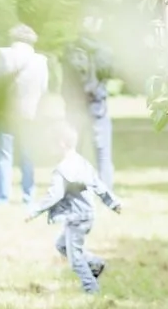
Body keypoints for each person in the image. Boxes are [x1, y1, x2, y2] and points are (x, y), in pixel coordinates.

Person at [27, 123, 123, 294]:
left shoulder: (62, 170)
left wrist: (34, 211)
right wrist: (113, 202)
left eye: (51, 144)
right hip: (88, 215)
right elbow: (98, 184)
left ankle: (91, 288)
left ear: (61, 143)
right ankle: (95, 263)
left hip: (75, 218)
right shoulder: (82, 163)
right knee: (61, 245)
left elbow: (54, 195)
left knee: (75, 259)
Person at [0, 24, 49, 206]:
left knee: (4, 156)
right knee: (28, 156)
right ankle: (28, 196)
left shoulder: (3, 55)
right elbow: (44, 88)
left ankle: (2, 198)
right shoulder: (40, 60)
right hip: (30, 114)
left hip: (7, 112)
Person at [61, 22, 115, 190]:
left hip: (74, 105)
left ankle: (74, 189)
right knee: (102, 152)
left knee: (73, 150)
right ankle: (106, 190)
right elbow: (109, 73)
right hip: (97, 104)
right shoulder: (103, 51)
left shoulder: (69, 50)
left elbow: (65, 80)